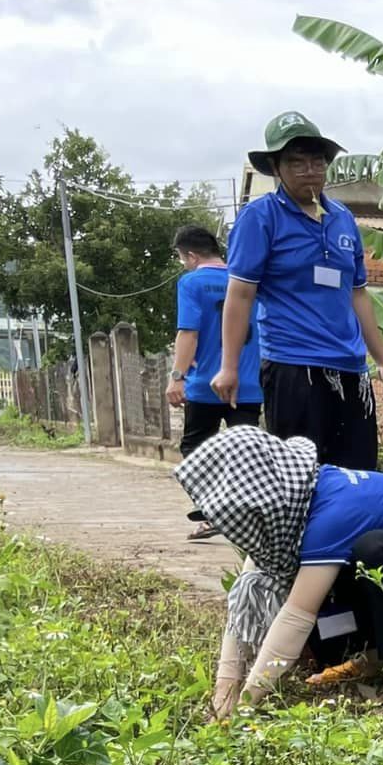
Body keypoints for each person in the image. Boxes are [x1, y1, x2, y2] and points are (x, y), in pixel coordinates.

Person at [175, 426, 383, 719]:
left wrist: (245, 704)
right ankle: (378, 658)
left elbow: (296, 616)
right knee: (320, 610)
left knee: (372, 550)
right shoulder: (299, 500)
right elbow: (243, 600)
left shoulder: (332, 513)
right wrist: (224, 691)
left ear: (262, 500)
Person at [214, 112, 383, 471]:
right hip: (293, 367)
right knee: (301, 479)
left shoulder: (343, 218)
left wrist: (382, 360)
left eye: (316, 161)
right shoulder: (260, 218)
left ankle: (353, 530)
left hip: (349, 368)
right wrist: (229, 367)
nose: (308, 170)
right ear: (276, 168)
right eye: (295, 162)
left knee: (357, 474)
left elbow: (358, 294)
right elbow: (240, 295)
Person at [167, 224, 261, 539]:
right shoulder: (247, 280)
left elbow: (188, 333)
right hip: (249, 384)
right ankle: (243, 514)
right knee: (245, 450)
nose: (184, 264)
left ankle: (214, 509)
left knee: (195, 447)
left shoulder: (192, 282)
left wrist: (177, 376)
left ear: (191, 255)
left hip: (205, 383)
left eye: (183, 258)